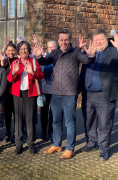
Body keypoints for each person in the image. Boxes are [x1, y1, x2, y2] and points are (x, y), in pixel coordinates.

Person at [33, 29, 96, 159]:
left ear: (70, 40)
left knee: (69, 122)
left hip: (69, 93)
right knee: (56, 120)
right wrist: (39, 56)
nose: (63, 42)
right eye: (61, 40)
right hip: (55, 93)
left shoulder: (76, 53)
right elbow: (44, 62)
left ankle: (70, 148)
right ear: (58, 40)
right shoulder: (54, 53)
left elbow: (86, 60)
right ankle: (56, 144)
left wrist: (90, 55)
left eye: (66, 39)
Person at [79, 30, 118, 160]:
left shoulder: (113, 51)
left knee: (104, 123)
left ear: (107, 39)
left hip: (105, 95)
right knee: (88, 121)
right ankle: (91, 143)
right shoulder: (90, 52)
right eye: (95, 40)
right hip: (88, 94)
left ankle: (103, 149)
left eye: (100, 39)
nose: (98, 42)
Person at [7, 41, 44, 155]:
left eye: (26, 49)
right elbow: (9, 79)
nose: (24, 51)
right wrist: (13, 72)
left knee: (30, 119)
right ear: (18, 51)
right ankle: (18, 143)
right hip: (17, 95)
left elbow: (41, 76)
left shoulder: (33, 62)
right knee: (18, 120)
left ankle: (31, 142)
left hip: (30, 94)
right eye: (22, 49)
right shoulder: (15, 63)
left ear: (29, 50)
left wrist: (32, 72)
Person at [0, 42, 18, 143]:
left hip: (16, 91)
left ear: (15, 51)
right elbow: (0, 75)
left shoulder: (18, 61)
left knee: (16, 114)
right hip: (6, 92)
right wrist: (2, 63)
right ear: (6, 51)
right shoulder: (4, 61)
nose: (11, 52)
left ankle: (15, 133)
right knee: (7, 114)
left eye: (12, 50)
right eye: (9, 50)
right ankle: (7, 133)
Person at [40, 40, 57, 141]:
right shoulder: (43, 60)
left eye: (53, 47)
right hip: (45, 90)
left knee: (53, 113)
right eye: (49, 47)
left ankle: (51, 131)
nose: (51, 49)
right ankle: (43, 131)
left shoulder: (58, 59)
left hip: (55, 91)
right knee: (43, 112)